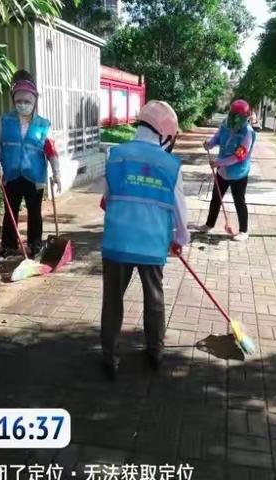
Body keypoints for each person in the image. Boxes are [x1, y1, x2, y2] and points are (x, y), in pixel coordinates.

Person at [99, 100, 190, 379]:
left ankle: (110, 356)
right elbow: (179, 209)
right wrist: (180, 239)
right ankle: (155, 351)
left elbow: (105, 200)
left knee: (112, 299)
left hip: (116, 242)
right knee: (154, 297)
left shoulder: (116, 155)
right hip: (151, 244)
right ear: (164, 133)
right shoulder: (170, 165)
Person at [0, 70, 61, 261]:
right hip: (10, 174)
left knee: (34, 212)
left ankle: (35, 245)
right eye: (19, 101)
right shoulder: (5, 121)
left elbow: (51, 151)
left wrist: (57, 173)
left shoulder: (43, 125)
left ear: (34, 102)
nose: (22, 105)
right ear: (14, 101)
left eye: (27, 101)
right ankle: (8, 247)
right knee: (10, 211)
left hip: (34, 175)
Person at [197, 99, 256, 241]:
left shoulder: (248, 133)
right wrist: (209, 144)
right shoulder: (225, 123)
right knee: (216, 198)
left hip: (238, 173)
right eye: (232, 115)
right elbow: (218, 137)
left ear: (244, 117)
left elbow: (239, 156)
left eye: (238, 117)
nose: (234, 120)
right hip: (223, 171)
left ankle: (243, 231)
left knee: (239, 201)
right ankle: (209, 224)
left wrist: (219, 162)